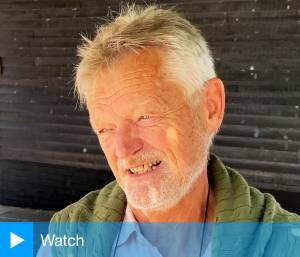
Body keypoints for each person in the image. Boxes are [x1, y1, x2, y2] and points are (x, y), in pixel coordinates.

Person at [38, 5, 300, 257]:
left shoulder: (285, 242)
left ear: (210, 106)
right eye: (105, 129)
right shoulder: (67, 236)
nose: (123, 150)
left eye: (145, 117)